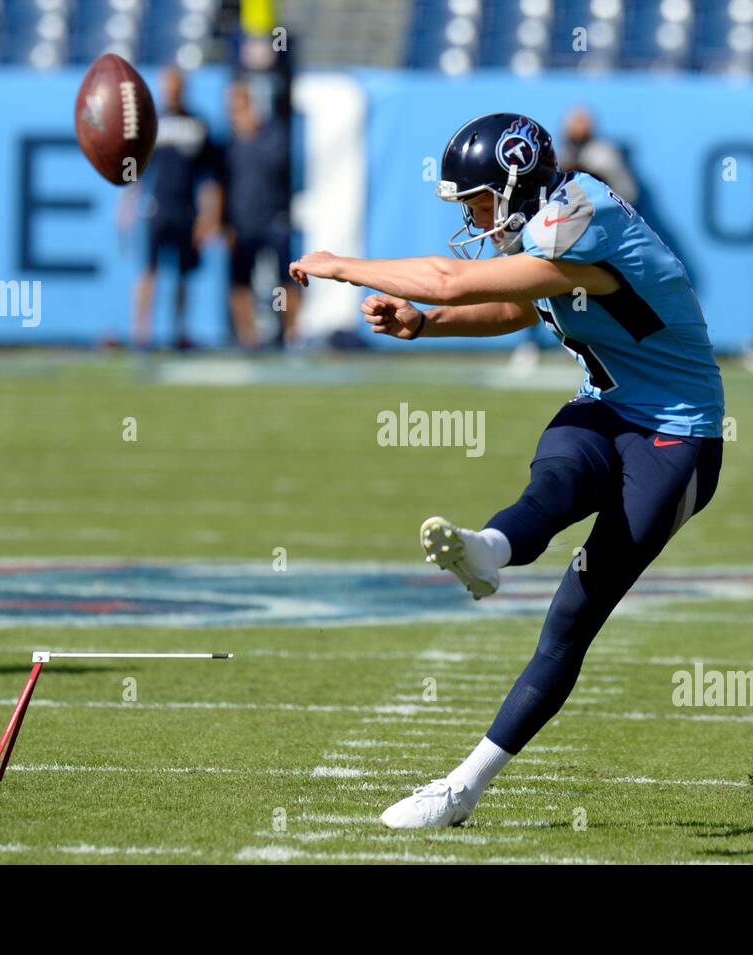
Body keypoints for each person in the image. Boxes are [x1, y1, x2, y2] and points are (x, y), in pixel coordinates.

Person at [289, 113, 725, 829]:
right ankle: (487, 551)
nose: (473, 215)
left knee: (571, 619)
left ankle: (461, 789)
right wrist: (426, 327)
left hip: (677, 437)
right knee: (552, 481)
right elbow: (517, 307)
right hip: (608, 410)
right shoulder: (557, 223)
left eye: (479, 200)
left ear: (519, 181)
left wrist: (341, 265)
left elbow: (449, 279)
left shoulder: (579, 215)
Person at [125, 67, 222, 350]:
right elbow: (137, 171)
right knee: (149, 270)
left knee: (183, 274)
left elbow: (208, 178)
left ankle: (179, 331)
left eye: (176, 86)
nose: (172, 91)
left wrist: (209, 215)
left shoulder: (197, 125)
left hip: (186, 211)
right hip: (158, 208)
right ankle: (141, 334)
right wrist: (128, 205)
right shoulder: (151, 123)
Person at [224, 80, 296, 348]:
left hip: (273, 218)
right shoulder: (230, 142)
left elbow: (279, 168)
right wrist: (224, 223)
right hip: (241, 222)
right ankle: (248, 338)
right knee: (239, 281)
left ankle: (291, 334)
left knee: (286, 278)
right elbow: (222, 185)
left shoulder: (271, 134)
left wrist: (252, 135)